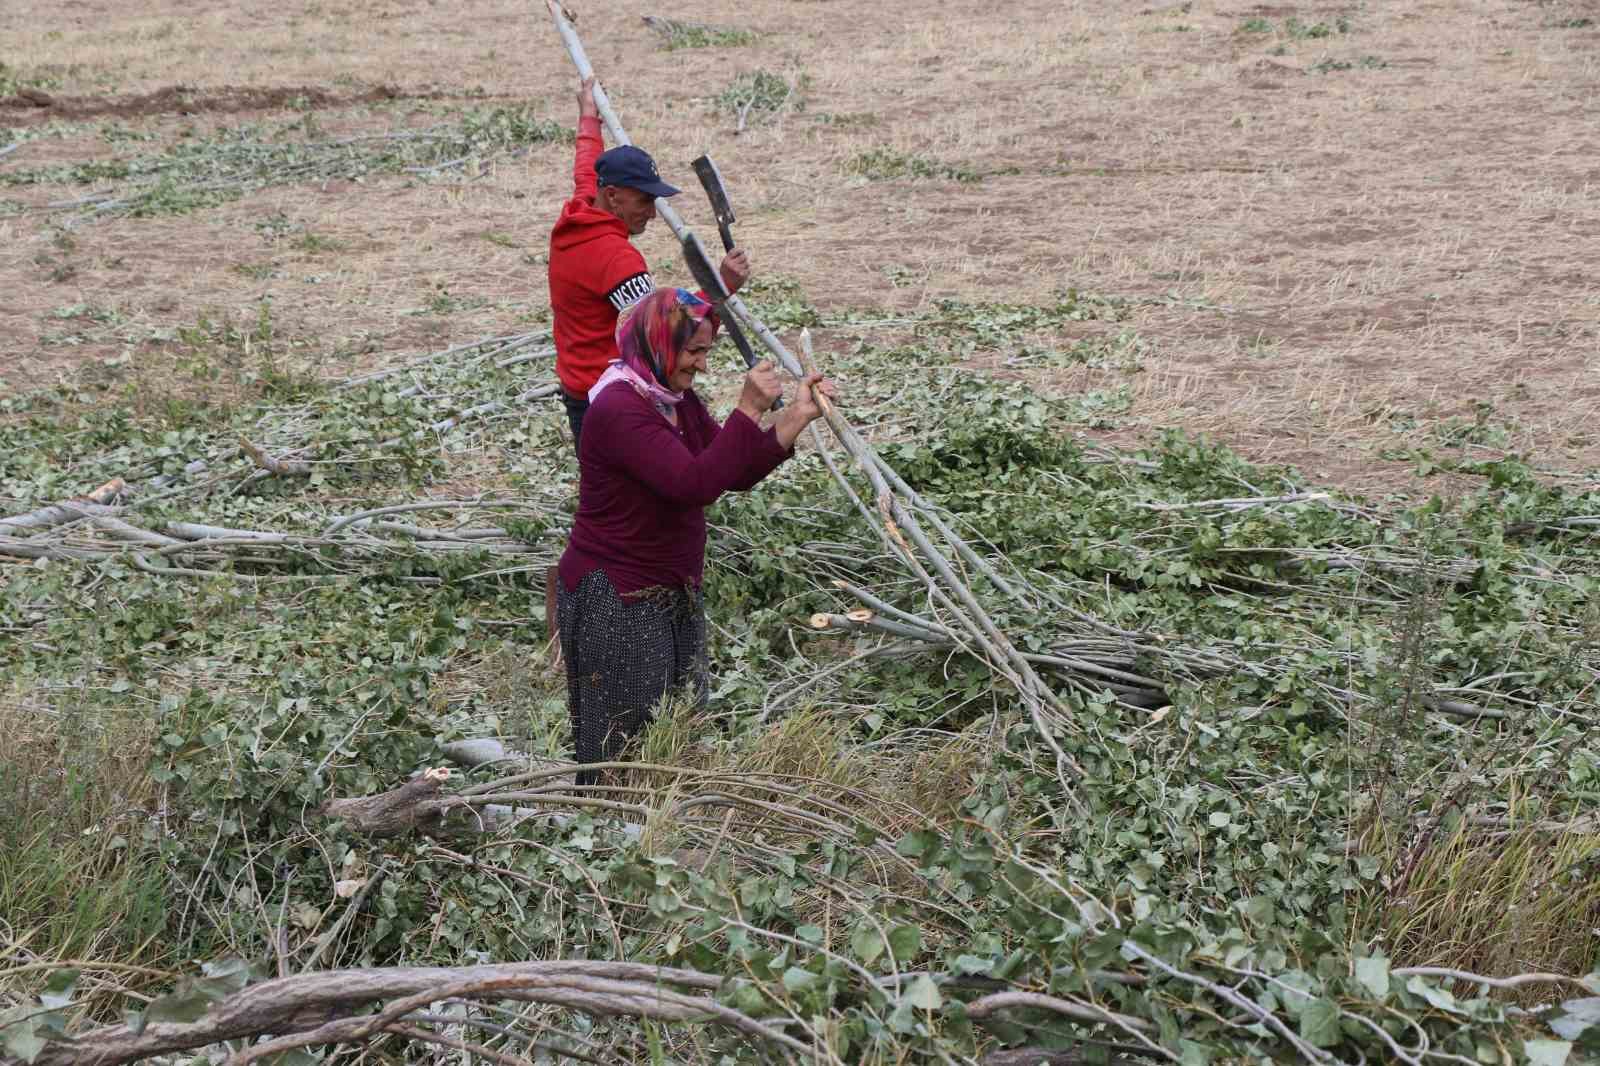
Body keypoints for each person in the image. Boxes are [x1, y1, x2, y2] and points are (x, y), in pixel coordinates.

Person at [555, 288, 837, 785]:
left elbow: (732, 469)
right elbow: (695, 485)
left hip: (668, 589)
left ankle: (661, 837)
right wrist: (747, 408)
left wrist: (795, 417)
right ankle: (608, 841)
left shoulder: (672, 400)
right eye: (694, 352)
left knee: (676, 730)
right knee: (624, 750)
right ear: (658, 342)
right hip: (617, 597)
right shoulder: (620, 407)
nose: (702, 366)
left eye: (707, 352)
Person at [545, 76, 750, 649]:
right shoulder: (613, 256)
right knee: (610, 520)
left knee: (604, 508)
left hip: (578, 385)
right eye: (644, 199)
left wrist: (588, 111)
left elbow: (585, 160)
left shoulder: (581, 207)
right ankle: (579, 623)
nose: (653, 212)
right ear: (615, 197)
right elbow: (656, 332)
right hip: (604, 400)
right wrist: (720, 291)